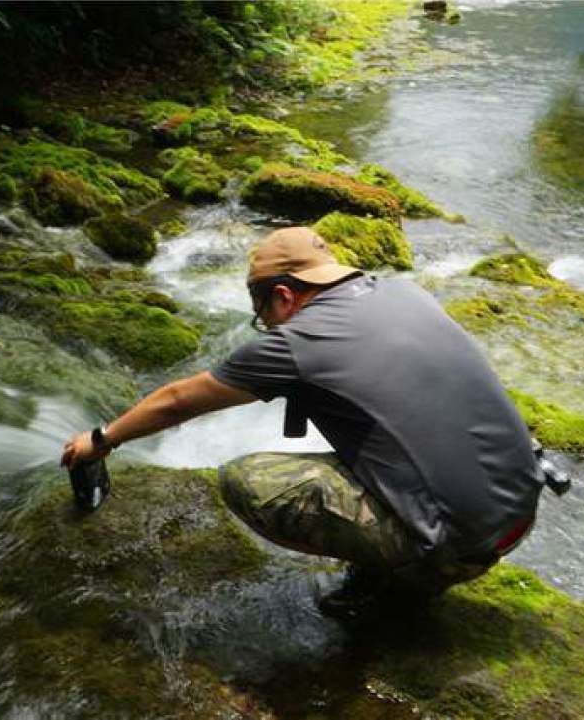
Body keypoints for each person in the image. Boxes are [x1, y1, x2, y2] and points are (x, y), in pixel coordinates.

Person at [61, 226, 544, 617]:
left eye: (262, 314)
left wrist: (101, 440)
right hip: (517, 510)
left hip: (458, 544)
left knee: (248, 480)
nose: (267, 326)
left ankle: (405, 577)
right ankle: (415, 560)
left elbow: (178, 401)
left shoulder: (300, 340)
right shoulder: (403, 292)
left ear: (285, 296)